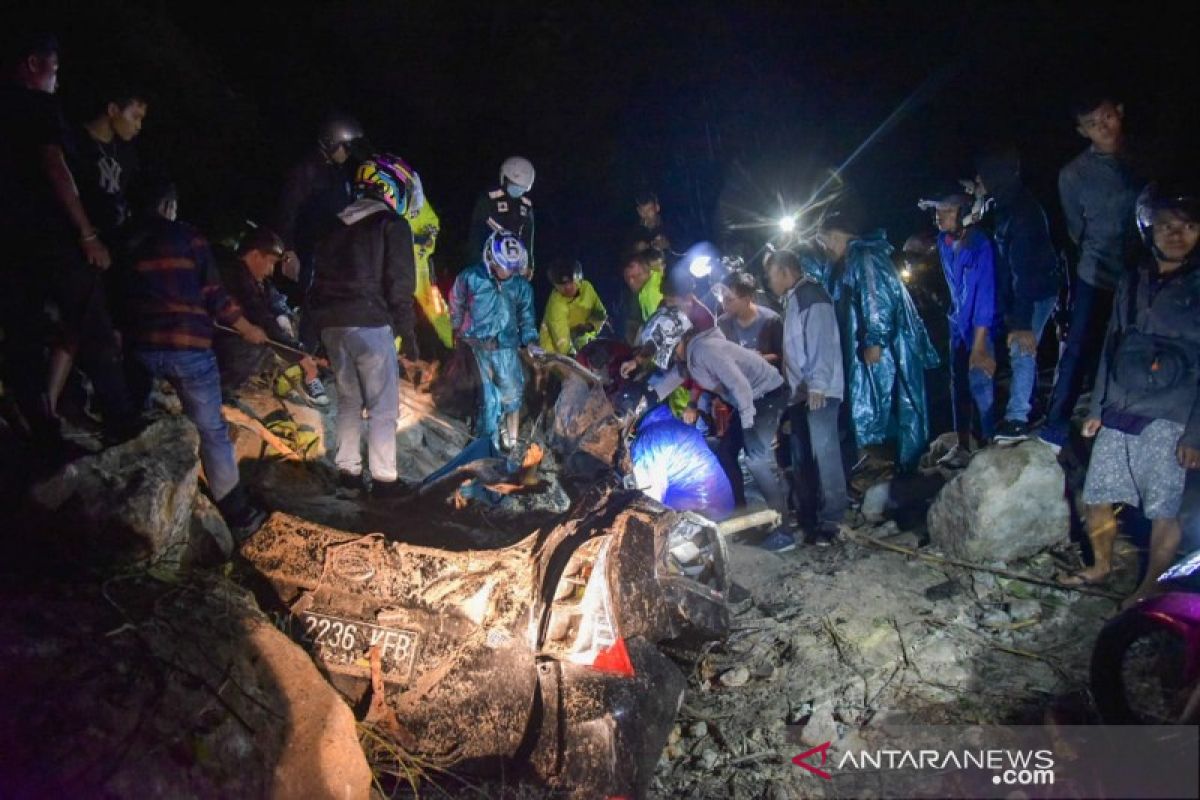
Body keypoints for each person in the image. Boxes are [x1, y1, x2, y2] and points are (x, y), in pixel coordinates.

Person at [1061, 184, 1200, 607]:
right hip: (1121, 406)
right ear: (1148, 230)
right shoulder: (1132, 279)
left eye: (1189, 227)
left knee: (1164, 507)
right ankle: (1101, 566)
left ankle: (1151, 585)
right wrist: (1099, 405)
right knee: (1098, 494)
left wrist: (1195, 433)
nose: (1177, 235)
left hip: (1172, 414)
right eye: (1166, 227)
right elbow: (1112, 342)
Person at [0, 32, 136, 457]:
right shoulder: (37, 106)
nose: (57, 78)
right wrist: (86, 232)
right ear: (34, 64)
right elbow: (54, 165)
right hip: (50, 237)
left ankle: (41, 429)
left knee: (21, 334)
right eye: (54, 69)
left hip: (10, 241)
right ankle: (122, 421)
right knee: (91, 323)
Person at [120, 177, 268, 537]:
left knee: (136, 423)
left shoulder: (126, 240)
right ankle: (237, 513)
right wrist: (247, 328)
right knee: (211, 430)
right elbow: (215, 296)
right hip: (189, 348)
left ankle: (133, 505)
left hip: (140, 348)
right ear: (169, 206)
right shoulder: (189, 237)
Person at [308, 153, 418, 497]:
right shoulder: (391, 225)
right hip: (370, 323)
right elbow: (400, 286)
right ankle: (385, 481)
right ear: (389, 187)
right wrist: (408, 337)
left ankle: (348, 474)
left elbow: (315, 281)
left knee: (348, 401)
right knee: (383, 407)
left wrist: (312, 336)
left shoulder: (330, 225)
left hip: (331, 326)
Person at [642, 307, 796, 552]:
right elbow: (673, 378)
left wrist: (748, 425)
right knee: (726, 453)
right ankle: (745, 521)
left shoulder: (704, 350)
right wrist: (645, 398)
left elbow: (740, 385)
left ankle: (785, 531)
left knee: (756, 459)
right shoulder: (691, 356)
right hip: (752, 400)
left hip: (766, 396)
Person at [1040, 90, 1143, 452]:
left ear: (1121, 110)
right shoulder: (1074, 174)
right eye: (1093, 125)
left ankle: (1128, 422)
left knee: (1135, 346)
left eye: (1107, 118)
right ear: (1082, 132)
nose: (1103, 128)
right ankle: (1054, 430)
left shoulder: (1145, 160)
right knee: (1080, 347)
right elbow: (1075, 228)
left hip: (1142, 275)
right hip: (1096, 273)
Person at [47, 86, 149, 419]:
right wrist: (87, 236)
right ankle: (116, 414)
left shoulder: (126, 155)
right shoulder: (76, 143)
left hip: (111, 252)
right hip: (77, 247)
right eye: (134, 116)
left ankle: (50, 400)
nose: (138, 125)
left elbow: (124, 203)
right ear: (112, 109)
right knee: (92, 330)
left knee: (75, 331)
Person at [816, 210, 939, 473]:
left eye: (824, 241)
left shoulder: (865, 256)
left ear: (836, 237)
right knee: (882, 400)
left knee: (899, 400)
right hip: (880, 345)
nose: (824, 248)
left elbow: (876, 300)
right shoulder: (848, 261)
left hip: (892, 345)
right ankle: (888, 463)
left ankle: (905, 465)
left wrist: (876, 339)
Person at [973, 147, 1063, 442]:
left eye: (981, 177)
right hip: (1025, 288)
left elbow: (1024, 268)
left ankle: (1017, 419)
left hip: (1035, 290)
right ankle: (1030, 406)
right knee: (1022, 347)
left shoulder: (1021, 211)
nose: (977, 182)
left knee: (1022, 346)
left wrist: (1021, 320)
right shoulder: (1006, 205)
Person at [764, 250, 848, 545]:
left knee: (824, 454)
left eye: (772, 276)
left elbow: (820, 341)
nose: (769, 282)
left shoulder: (811, 295)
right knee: (804, 458)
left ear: (785, 272)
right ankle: (810, 517)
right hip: (802, 392)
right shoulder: (794, 299)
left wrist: (818, 384)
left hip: (818, 391)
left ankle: (834, 519)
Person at [273, 113, 368, 349]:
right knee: (311, 300)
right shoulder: (307, 169)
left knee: (326, 301)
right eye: (346, 147)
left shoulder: (338, 172)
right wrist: (288, 250)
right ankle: (304, 352)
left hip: (330, 251)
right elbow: (288, 211)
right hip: (308, 248)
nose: (348, 153)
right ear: (332, 141)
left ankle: (318, 352)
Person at [920, 191, 1001, 467]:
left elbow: (985, 296)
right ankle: (963, 445)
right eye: (938, 211)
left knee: (980, 380)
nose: (939, 217)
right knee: (958, 384)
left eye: (947, 211)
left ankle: (990, 442)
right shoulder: (944, 242)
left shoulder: (980, 244)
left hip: (981, 326)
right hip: (958, 323)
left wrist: (979, 345)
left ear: (964, 212)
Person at [213, 226, 328, 405]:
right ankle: (219, 390)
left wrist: (283, 316)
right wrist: (299, 353)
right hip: (217, 339)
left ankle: (295, 376)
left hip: (234, 336)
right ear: (255, 255)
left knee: (286, 323)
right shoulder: (234, 276)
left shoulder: (256, 280)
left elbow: (274, 300)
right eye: (271, 262)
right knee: (256, 346)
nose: (271, 270)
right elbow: (260, 316)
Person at [450, 232, 542, 450]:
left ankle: (511, 442)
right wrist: (457, 330)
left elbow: (527, 317)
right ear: (490, 258)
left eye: (512, 268)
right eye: (503, 267)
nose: (507, 272)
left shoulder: (521, 287)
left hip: (506, 349)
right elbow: (457, 302)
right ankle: (486, 448)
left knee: (512, 395)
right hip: (476, 347)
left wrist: (530, 341)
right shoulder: (471, 278)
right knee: (487, 402)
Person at [467, 156, 536, 268]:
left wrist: (529, 264)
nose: (517, 190)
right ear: (505, 179)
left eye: (521, 188)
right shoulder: (489, 199)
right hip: (488, 261)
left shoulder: (526, 206)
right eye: (514, 185)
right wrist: (476, 262)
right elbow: (476, 233)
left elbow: (528, 236)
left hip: (514, 263)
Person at [539, 258, 607, 355]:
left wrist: (590, 327)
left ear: (578, 278)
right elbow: (562, 341)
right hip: (552, 350)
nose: (567, 288)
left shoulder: (587, 288)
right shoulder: (556, 303)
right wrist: (572, 355)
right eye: (561, 284)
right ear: (555, 285)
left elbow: (601, 314)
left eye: (570, 282)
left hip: (580, 342)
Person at [716, 271, 783, 367]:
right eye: (722, 299)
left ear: (747, 299)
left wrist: (759, 359)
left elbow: (783, 356)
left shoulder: (771, 321)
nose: (724, 305)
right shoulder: (722, 324)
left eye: (729, 300)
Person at [621, 250, 665, 344]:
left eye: (636, 276)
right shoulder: (640, 293)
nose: (631, 282)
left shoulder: (659, 281)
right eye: (628, 278)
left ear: (648, 271)